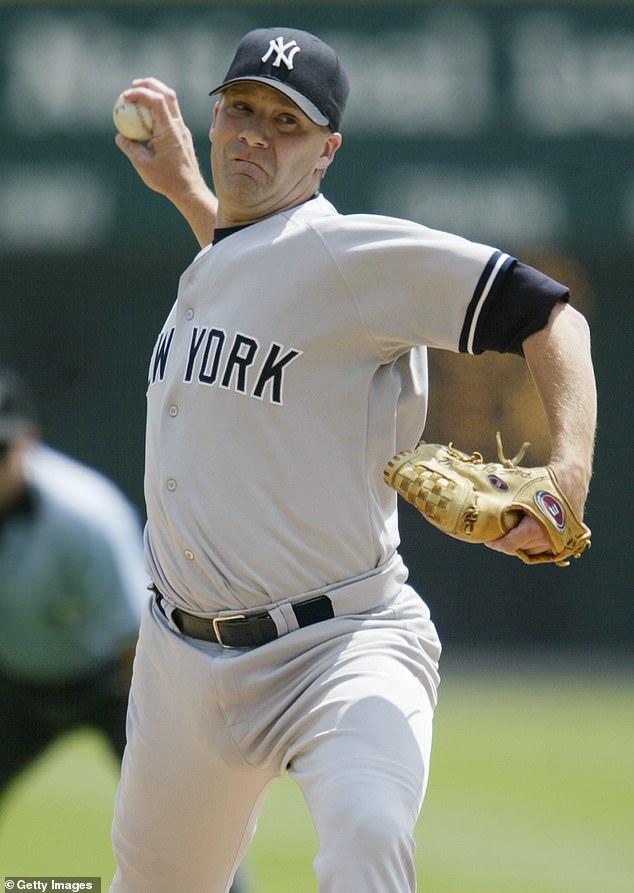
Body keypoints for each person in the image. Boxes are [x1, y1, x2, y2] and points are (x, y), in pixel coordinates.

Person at [111, 26, 597, 893]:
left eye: (287, 123)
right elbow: (254, 281)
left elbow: (554, 318)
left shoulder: (352, 258)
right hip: (179, 663)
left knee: (366, 843)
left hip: (337, 647)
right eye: (242, 110)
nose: (256, 134)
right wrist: (188, 187)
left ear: (327, 150)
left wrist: (567, 473)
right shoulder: (231, 255)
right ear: (215, 117)